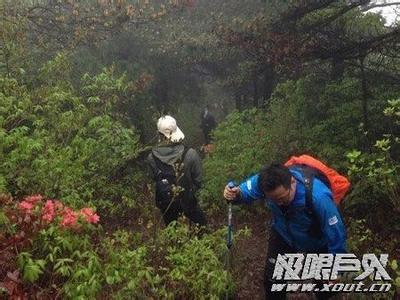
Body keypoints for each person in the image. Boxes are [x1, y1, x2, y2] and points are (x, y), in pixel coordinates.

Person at [223, 163, 347, 300]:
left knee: (325, 288)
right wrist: (234, 192)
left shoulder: (318, 196)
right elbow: (243, 192)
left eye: (282, 198)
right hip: (283, 234)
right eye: (273, 200)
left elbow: (336, 233)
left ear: (292, 182)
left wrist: (335, 268)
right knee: (272, 281)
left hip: (317, 241)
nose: (279, 203)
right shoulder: (264, 181)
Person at [147, 115, 207, 226]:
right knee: (202, 226)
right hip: (188, 202)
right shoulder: (190, 154)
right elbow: (198, 180)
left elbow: (154, 178)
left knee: (171, 231)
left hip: (165, 203)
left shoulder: (152, 158)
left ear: (159, 134)